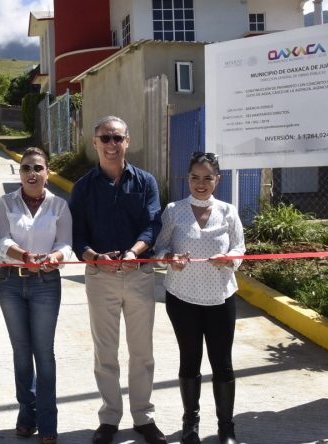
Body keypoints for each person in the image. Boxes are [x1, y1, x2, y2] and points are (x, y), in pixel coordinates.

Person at [68, 116, 166, 444]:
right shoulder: (83, 187)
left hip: (138, 274)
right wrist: (95, 257)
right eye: (105, 138)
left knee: (142, 351)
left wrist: (134, 252)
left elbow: (153, 225)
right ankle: (110, 418)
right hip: (99, 277)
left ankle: (143, 416)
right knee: (105, 352)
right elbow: (76, 235)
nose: (112, 144)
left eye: (117, 138)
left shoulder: (146, 182)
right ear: (94, 142)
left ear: (128, 141)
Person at [153, 152, 245, 444]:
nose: (201, 183)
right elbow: (158, 247)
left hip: (220, 298)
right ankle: (190, 424)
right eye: (195, 177)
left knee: (222, 362)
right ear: (188, 179)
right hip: (182, 299)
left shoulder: (228, 211)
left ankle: (226, 427)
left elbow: (240, 248)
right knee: (190, 360)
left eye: (208, 178)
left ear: (217, 180)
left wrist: (229, 259)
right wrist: (170, 258)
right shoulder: (173, 210)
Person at [0, 147, 72, 444]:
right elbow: (2, 240)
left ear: (47, 173)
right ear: (20, 172)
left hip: (46, 284)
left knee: (44, 353)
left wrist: (55, 256)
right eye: (26, 168)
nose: (31, 173)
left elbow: (66, 244)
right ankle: (27, 414)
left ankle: (48, 422)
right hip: (11, 283)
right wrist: (23, 255)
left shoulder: (59, 206)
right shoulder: (6, 202)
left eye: (38, 168)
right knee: (21, 352)